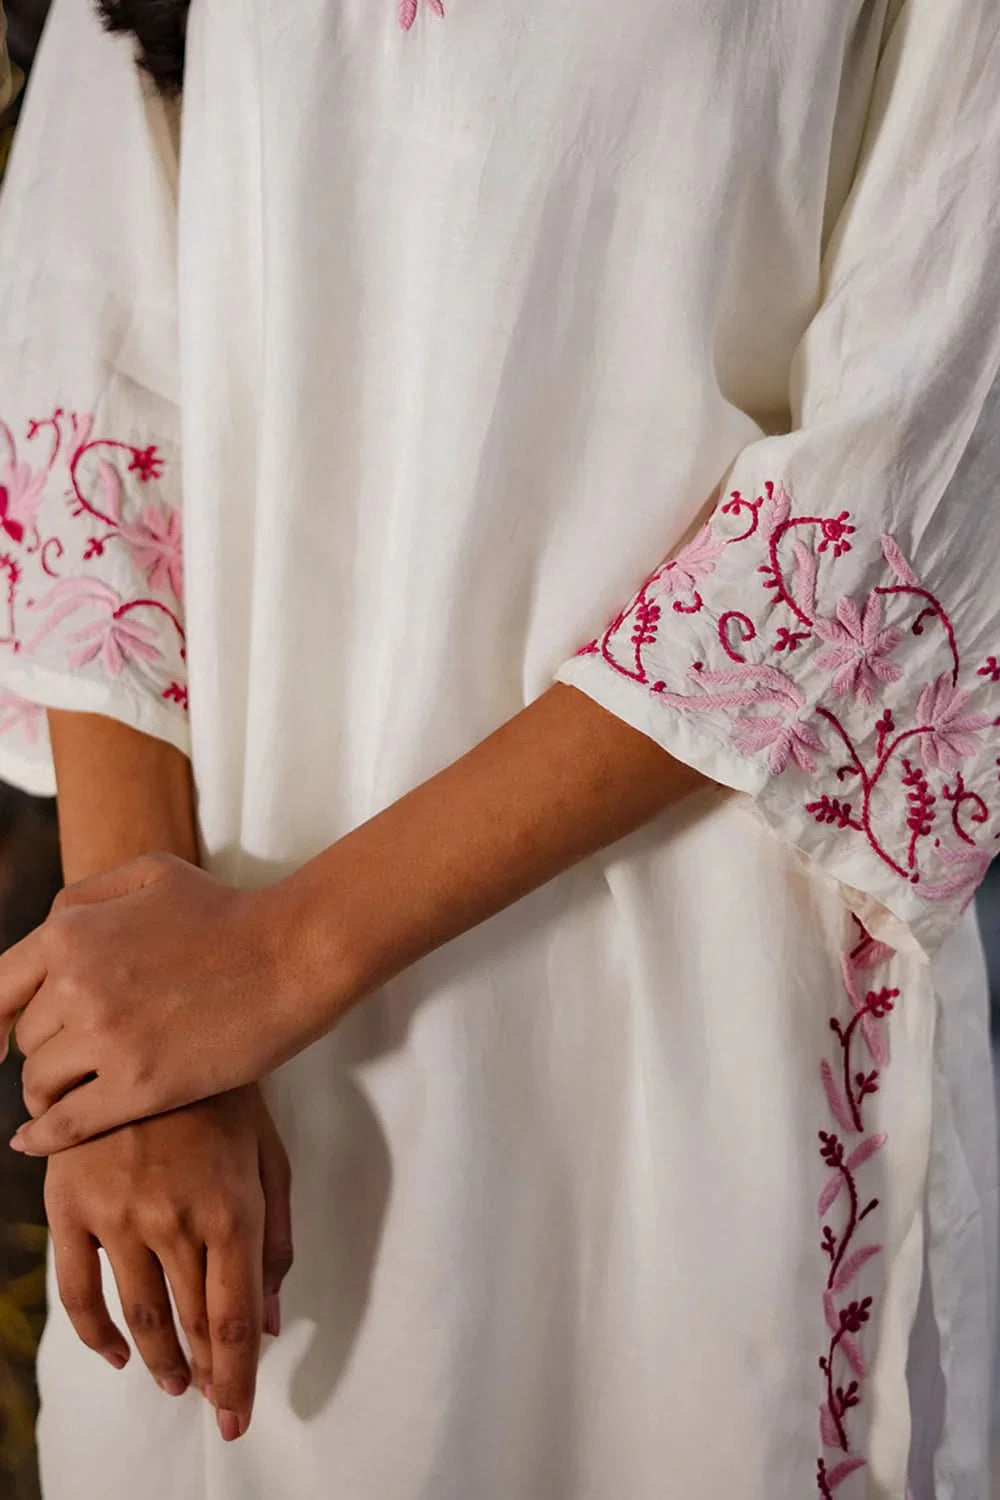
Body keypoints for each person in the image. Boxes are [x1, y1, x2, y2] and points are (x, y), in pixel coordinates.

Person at [0, 0, 998, 1495]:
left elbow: (897, 488)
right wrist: (142, 1051)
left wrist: (283, 959)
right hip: (216, 1104)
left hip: (661, 1045)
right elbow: (88, 367)